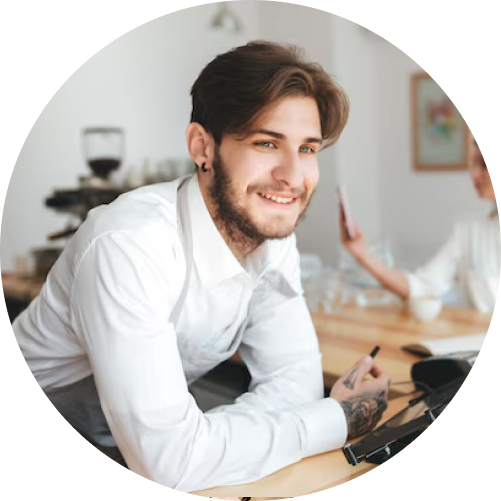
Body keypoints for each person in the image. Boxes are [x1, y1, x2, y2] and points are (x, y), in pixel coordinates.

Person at [13, 40, 390, 492]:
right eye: (267, 143)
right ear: (201, 146)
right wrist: (333, 418)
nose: (292, 176)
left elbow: (295, 382)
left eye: (308, 149)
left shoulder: (270, 237)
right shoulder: (130, 244)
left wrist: (203, 442)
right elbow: (170, 463)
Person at [340, 130, 500, 313]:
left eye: (483, 164)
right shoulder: (469, 232)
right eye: (473, 164)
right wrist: (361, 253)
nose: (474, 175)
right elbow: (422, 288)